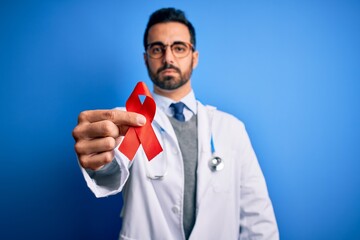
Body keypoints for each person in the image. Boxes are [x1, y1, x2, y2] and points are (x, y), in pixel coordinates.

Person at [72, 7, 279, 240]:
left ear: (194, 57)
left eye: (179, 48)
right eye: (157, 49)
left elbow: (257, 218)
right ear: (146, 58)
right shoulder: (127, 121)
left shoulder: (231, 129)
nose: (168, 58)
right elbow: (110, 173)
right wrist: (99, 159)